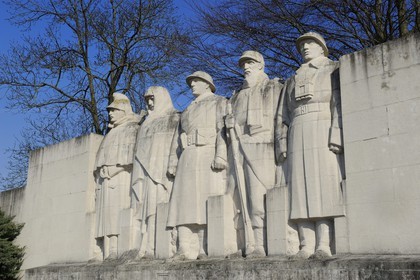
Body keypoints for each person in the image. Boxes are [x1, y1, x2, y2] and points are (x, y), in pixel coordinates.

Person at [276, 32, 345, 259]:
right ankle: (306, 244)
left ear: (322, 47)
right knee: (300, 188)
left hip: (321, 125)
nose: (305, 47)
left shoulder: (332, 68)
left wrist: (336, 134)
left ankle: (324, 243)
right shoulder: (292, 79)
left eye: (310, 43)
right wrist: (282, 142)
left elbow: (337, 103)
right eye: (302, 45)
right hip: (298, 128)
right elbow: (282, 115)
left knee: (323, 185)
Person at [225, 51, 282, 257]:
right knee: (237, 201)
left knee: (258, 198)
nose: (246, 67)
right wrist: (229, 125)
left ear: (260, 65)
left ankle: (260, 242)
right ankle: (244, 243)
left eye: (250, 63)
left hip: (262, 146)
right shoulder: (237, 97)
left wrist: (281, 147)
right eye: (243, 65)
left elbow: (280, 119)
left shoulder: (273, 88)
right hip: (238, 149)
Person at [167, 71, 227, 260]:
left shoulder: (219, 102)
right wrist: (173, 161)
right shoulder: (187, 110)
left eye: (196, 81)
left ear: (208, 84)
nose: (192, 84)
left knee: (203, 201)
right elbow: (176, 140)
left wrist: (221, 156)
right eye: (191, 81)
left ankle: (203, 247)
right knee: (184, 202)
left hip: (207, 152)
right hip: (188, 154)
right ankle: (184, 248)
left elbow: (222, 132)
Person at [131, 86, 181, 259]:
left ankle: (153, 246)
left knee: (155, 208)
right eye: (147, 100)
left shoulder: (174, 117)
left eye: (153, 99)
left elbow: (174, 145)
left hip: (159, 173)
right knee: (144, 209)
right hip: (144, 172)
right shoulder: (145, 123)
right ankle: (144, 245)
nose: (150, 103)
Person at [94, 92, 143, 260]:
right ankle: (104, 249)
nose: (110, 113)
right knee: (105, 217)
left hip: (121, 177)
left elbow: (131, 157)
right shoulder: (112, 132)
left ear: (123, 110)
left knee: (115, 214)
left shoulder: (131, 128)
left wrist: (114, 169)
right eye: (109, 111)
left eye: (114, 110)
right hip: (105, 179)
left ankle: (115, 249)